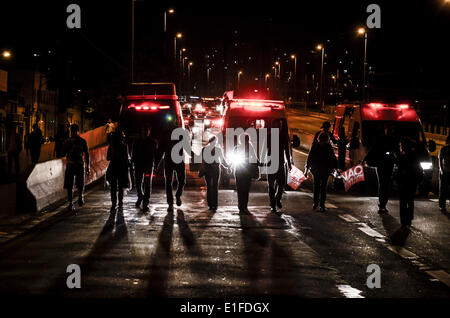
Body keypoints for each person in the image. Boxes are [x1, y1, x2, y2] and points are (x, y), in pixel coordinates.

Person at [364, 124, 397, 213]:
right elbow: (373, 150)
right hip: (382, 165)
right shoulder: (383, 139)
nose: (389, 131)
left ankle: (383, 204)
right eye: (388, 129)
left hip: (387, 165)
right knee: (383, 184)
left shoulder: (392, 140)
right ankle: (382, 204)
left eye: (390, 129)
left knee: (384, 184)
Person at [305, 132, 337, 212]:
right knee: (323, 188)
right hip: (325, 170)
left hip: (316, 170)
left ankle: (315, 203)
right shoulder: (329, 147)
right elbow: (333, 159)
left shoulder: (315, 146)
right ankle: (322, 205)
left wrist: (307, 169)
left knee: (316, 186)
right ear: (327, 140)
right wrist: (335, 168)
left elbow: (310, 158)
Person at [396, 138, 423, 229]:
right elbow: (419, 170)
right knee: (410, 200)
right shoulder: (414, 156)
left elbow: (398, 171)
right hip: (412, 182)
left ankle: (404, 220)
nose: (400, 147)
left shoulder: (402, 157)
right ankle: (409, 218)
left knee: (403, 201)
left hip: (404, 182)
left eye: (400, 145)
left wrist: (396, 179)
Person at [266, 119, 293, 213]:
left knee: (281, 184)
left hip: (280, 163)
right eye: (276, 125)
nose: (278, 127)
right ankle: (273, 204)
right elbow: (264, 149)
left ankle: (277, 198)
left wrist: (289, 163)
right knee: (271, 185)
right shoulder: (269, 135)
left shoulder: (283, 136)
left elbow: (287, 150)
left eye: (279, 125)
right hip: (271, 163)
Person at [63, 124, 90, 211]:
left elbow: (62, 153)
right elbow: (87, 154)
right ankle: (80, 197)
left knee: (69, 184)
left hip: (71, 164)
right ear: (78, 130)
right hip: (79, 164)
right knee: (80, 183)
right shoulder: (82, 141)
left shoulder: (68, 141)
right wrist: (88, 167)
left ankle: (71, 203)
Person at [158, 127, 186, 211]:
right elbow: (161, 149)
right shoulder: (178, 133)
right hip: (172, 161)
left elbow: (161, 149)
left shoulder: (168, 134)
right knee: (172, 182)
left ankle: (176, 197)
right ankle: (171, 203)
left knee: (176, 181)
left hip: (173, 161)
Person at [200, 136, 229, 212]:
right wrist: (227, 166)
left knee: (209, 187)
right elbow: (222, 160)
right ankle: (214, 205)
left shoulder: (204, 149)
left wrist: (227, 166)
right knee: (214, 187)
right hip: (215, 169)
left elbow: (202, 160)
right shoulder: (218, 150)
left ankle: (210, 205)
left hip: (208, 170)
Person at [232, 134, 260, 214]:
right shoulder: (249, 148)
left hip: (239, 170)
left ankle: (242, 206)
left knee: (241, 189)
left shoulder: (237, 148)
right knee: (245, 189)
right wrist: (259, 164)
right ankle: (243, 206)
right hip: (246, 171)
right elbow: (255, 158)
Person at [132, 125, 157, 212]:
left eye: (147, 130)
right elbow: (133, 153)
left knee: (146, 184)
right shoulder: (139, 141)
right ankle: (141, 197)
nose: (145, 132)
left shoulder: (152, 142)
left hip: (146, 166)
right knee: (139, 183)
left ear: (149, 131)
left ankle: (144, 201)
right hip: (142, 165)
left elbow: (155, 154)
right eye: (144, 130)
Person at [106, 130, 130, 209]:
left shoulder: (112, 146)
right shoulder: (124, 146)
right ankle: (120, 202)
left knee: (114, 186)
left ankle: (114, 203)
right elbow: (126, 158)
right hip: (121, 167)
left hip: (114, 167)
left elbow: (107, 158)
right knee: (120, 186)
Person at [438, 135, 450, 212]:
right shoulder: (444, 149)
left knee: (444, 189)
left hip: (446, 171)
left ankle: (442, 205)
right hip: (445, 172)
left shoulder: (444, 149)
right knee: (443, 189)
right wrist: (441, 170)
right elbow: (440, 160)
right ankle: (442, 205)